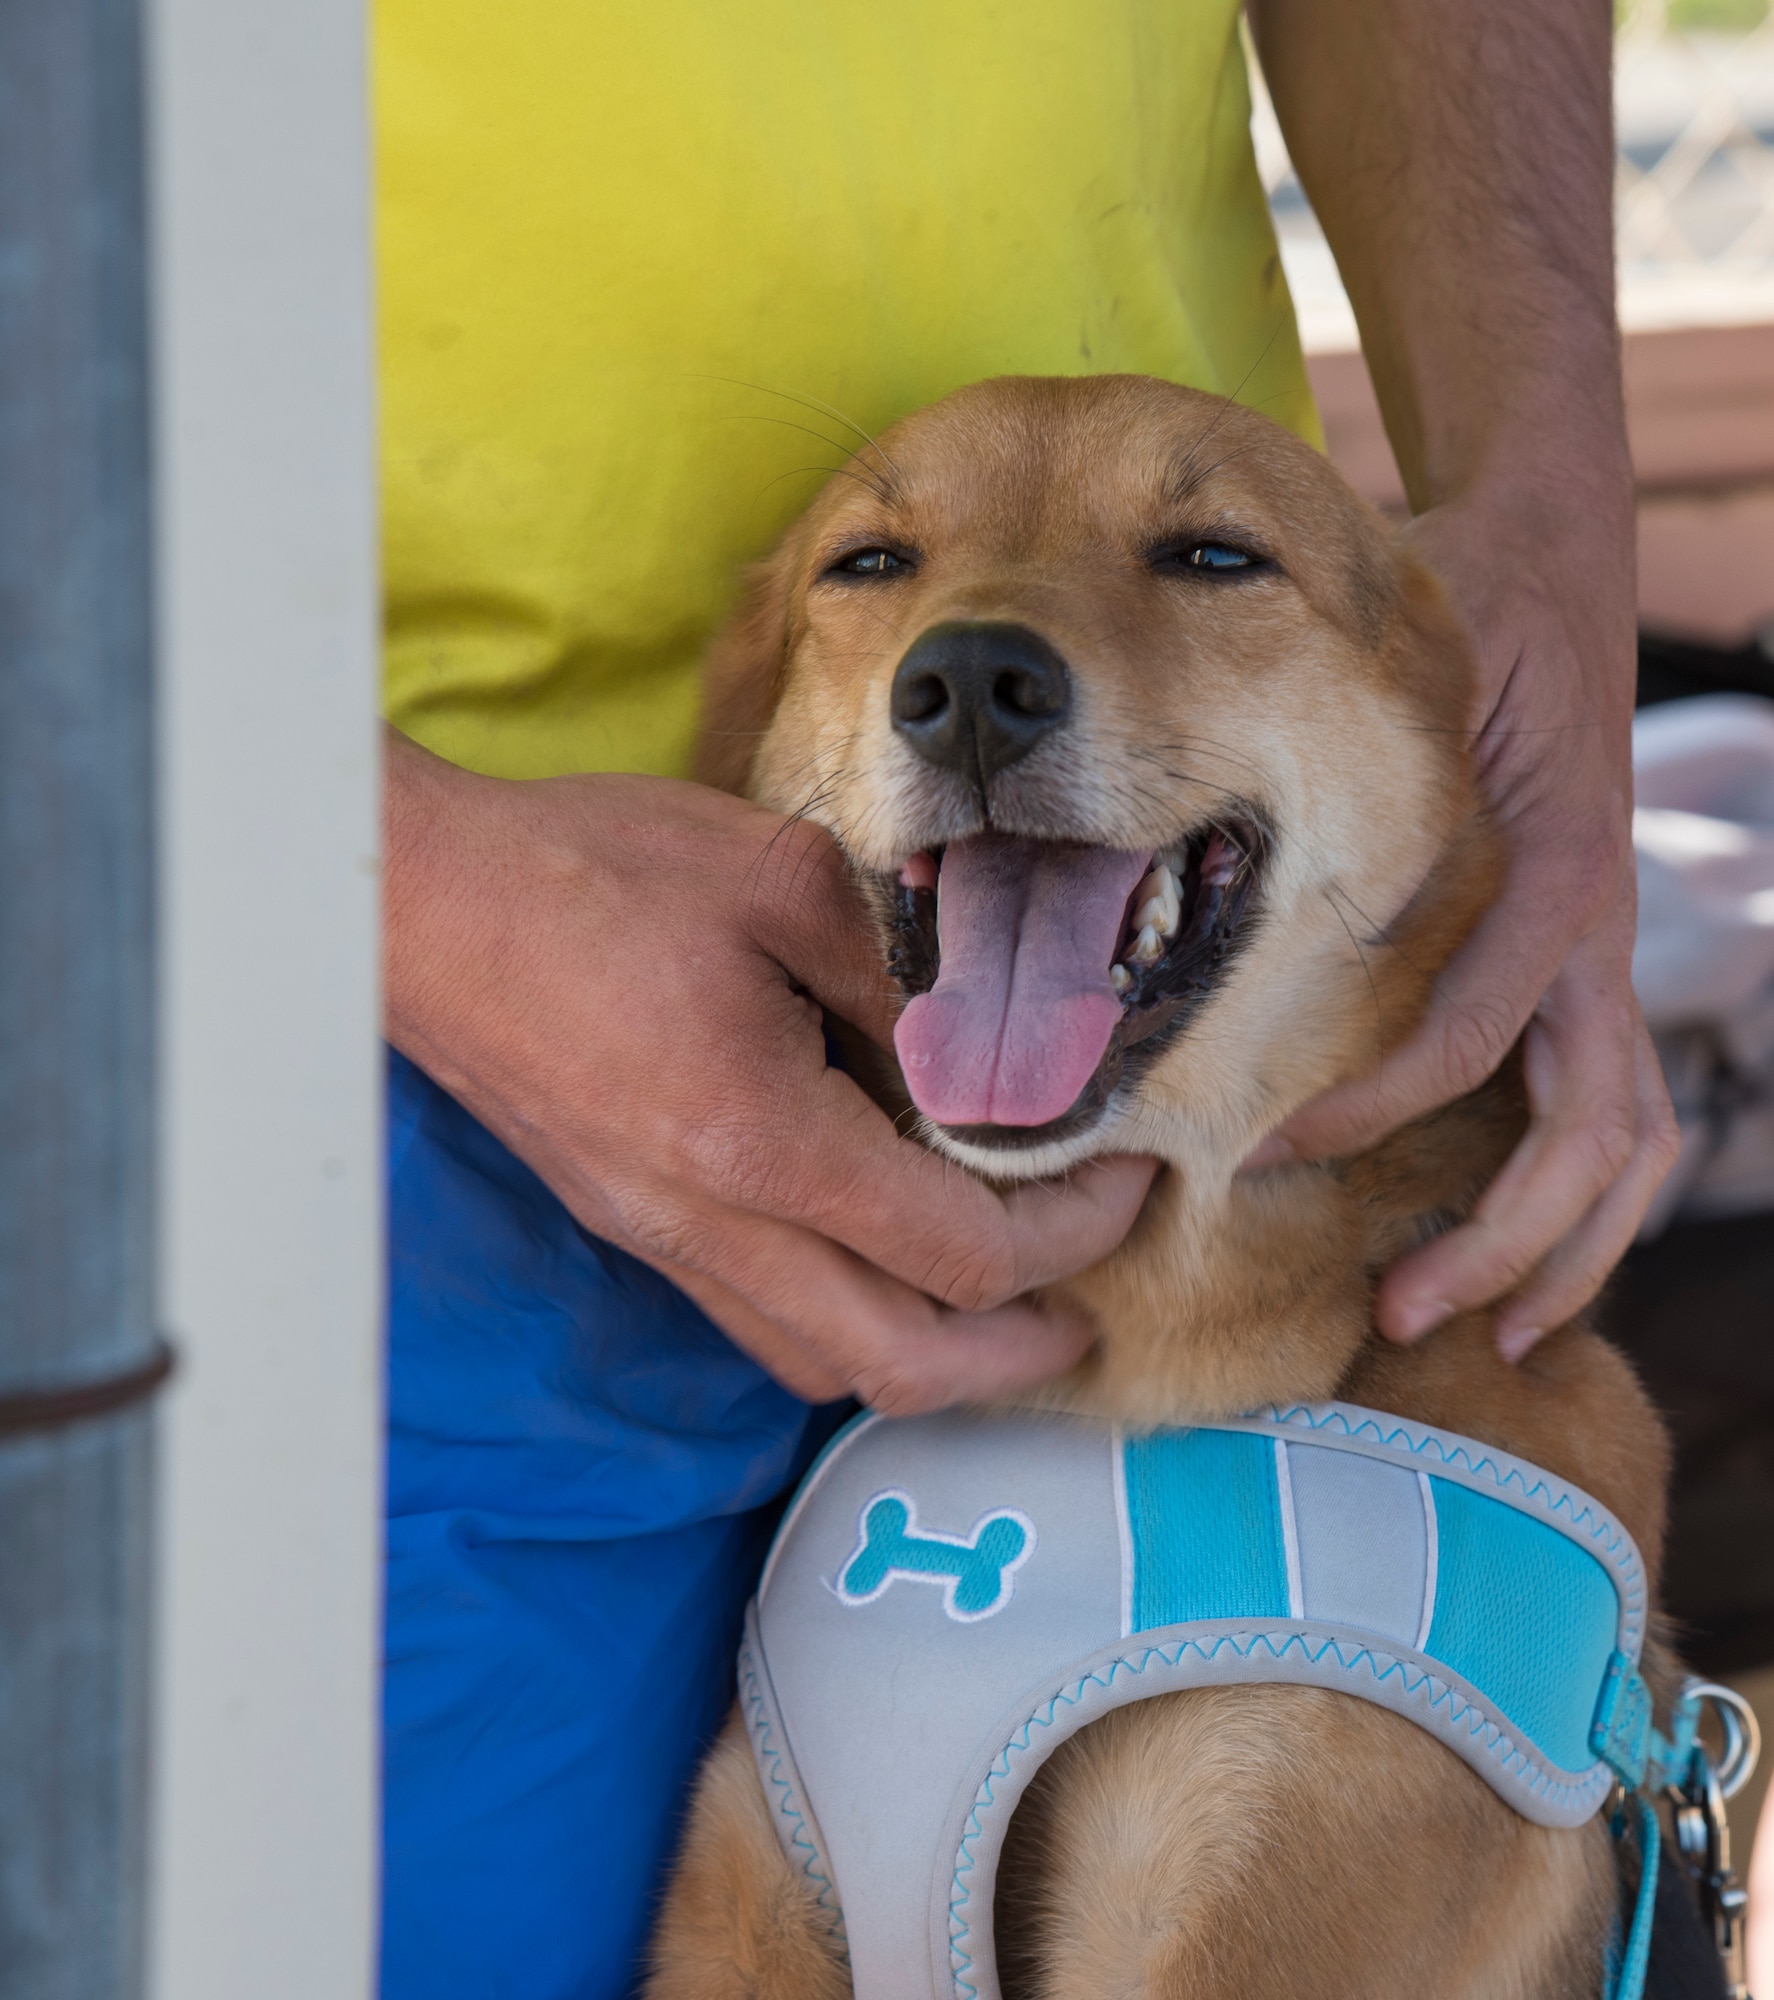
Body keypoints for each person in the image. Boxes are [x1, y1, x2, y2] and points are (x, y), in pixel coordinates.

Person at [375, 2, 1680, 1992]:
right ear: (761, 729)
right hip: (362, 1092)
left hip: (1140, 1322)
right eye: (879, 564)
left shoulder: (1469, 1480)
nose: (980, 648)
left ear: (1431, 748)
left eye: (1201, 553)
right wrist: (385, 863)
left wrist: (1553, 518)